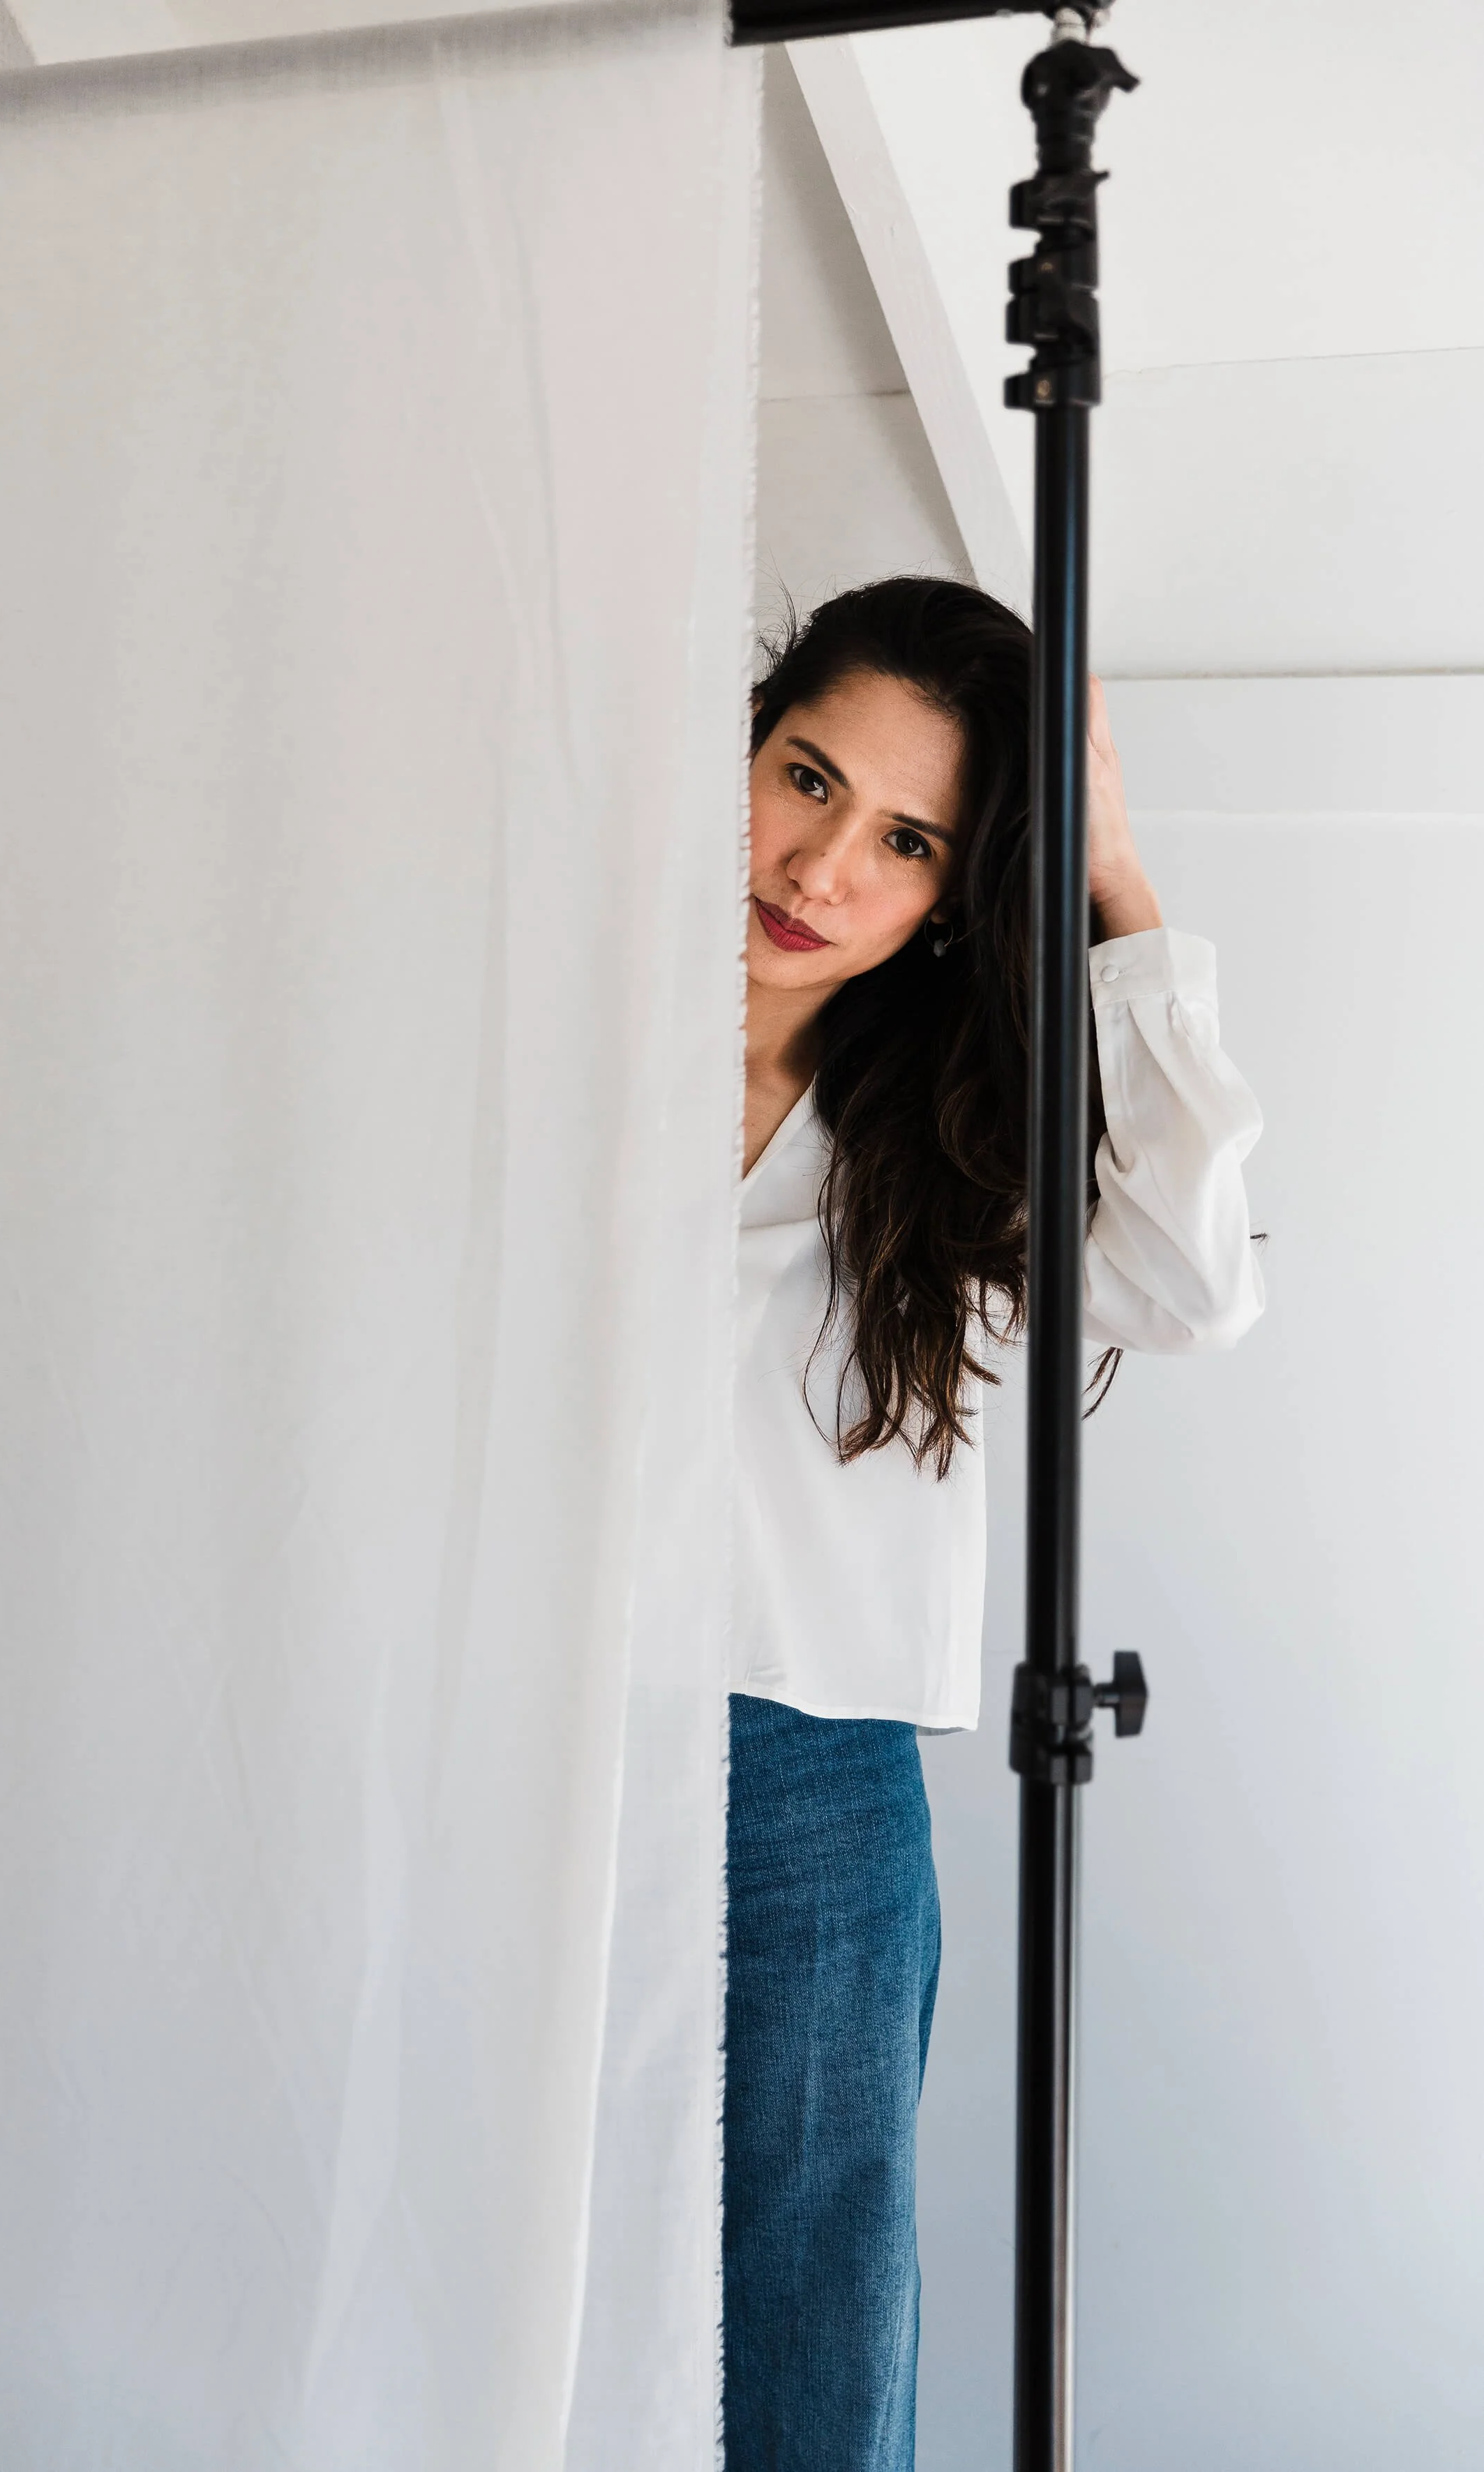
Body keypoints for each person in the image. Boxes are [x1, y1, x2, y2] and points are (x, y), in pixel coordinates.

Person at [723, 578, 1263, 2469]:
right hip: (517, 1728)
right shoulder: (547, 1061)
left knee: (806, 2316)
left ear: (959, 891)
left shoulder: (940, 1144)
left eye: (905, 840)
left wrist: (1115, 880)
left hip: (800, 1773)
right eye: (804, 774)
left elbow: (1194, 1280)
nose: (819, 863)